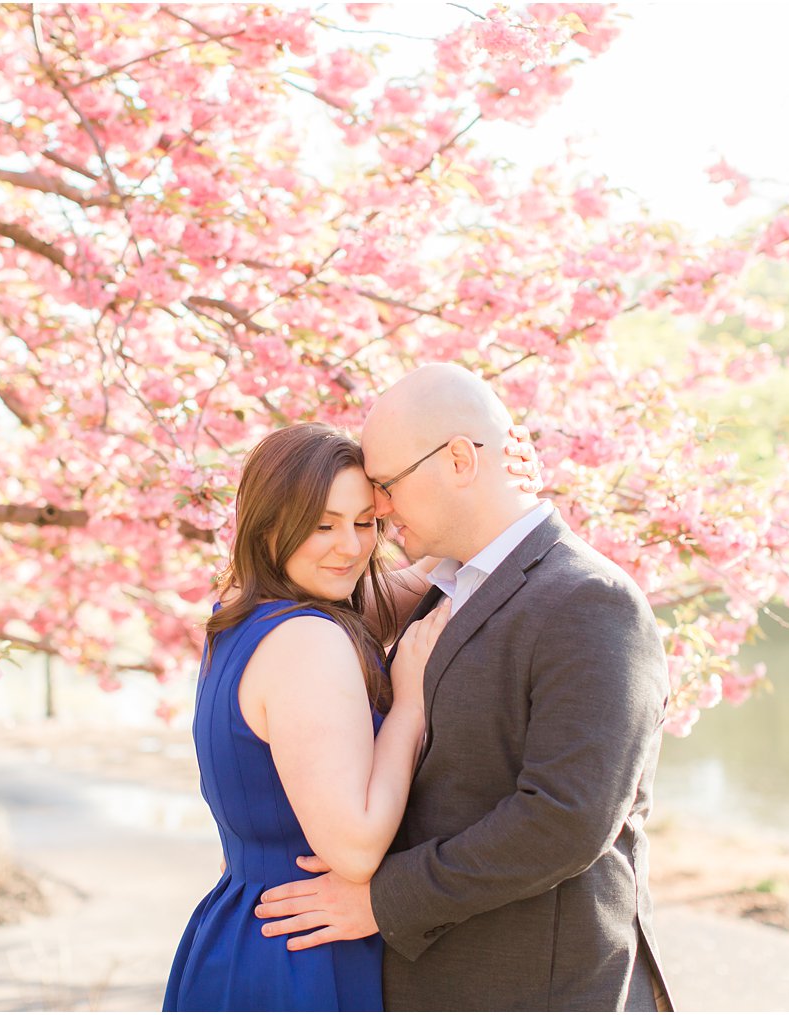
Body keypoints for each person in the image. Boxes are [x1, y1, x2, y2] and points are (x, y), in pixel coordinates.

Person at [254, 364, 674, 1011]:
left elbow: (565, 817)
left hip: (540, 990)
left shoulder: (591, 600)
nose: (380, 509)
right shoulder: (442, 589)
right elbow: (283, 597)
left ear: (457, 459)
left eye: (387, 485)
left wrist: (382, 900)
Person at [163, 421, 539, 1011]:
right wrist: (410, 707)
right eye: (322, 526)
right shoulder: (307, 642)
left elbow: (411, 583)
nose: (350, 547)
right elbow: (356, 850)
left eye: (365, 523)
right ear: (268, 529)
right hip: (306, 952)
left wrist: (494, 498)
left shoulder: (246, 612)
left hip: (247, 927)